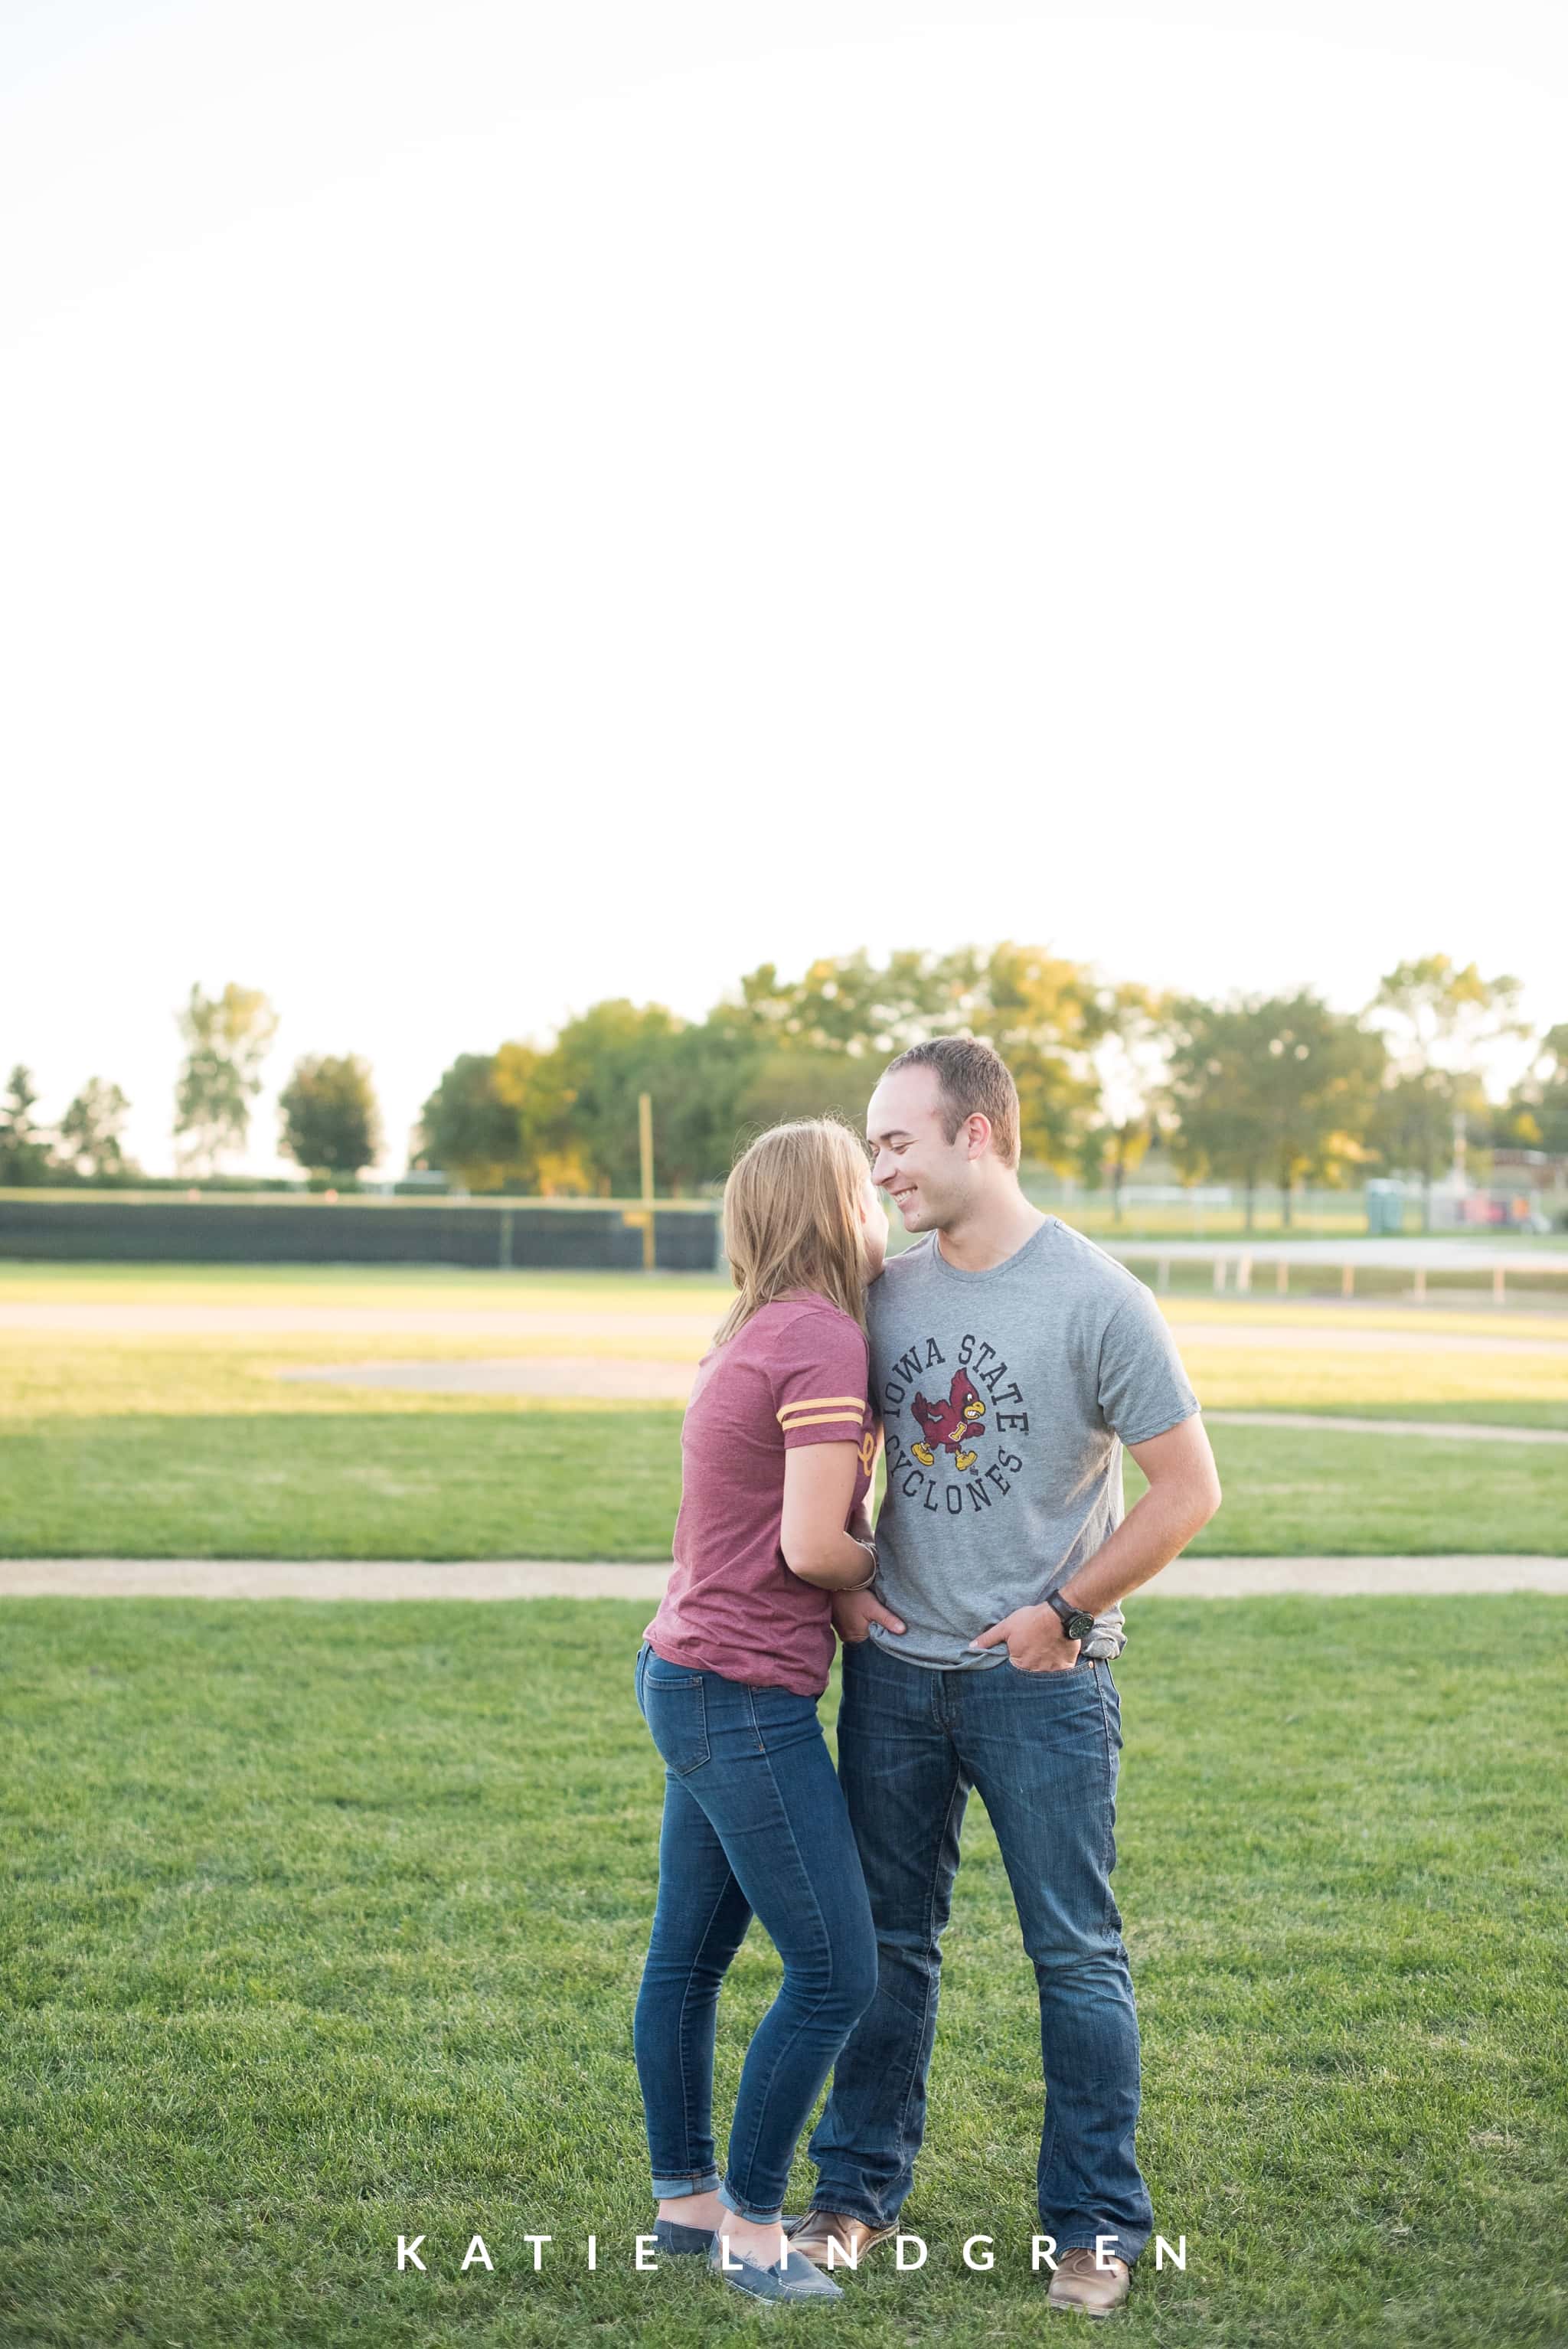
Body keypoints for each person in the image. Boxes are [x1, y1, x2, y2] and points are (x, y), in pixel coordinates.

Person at [789, 1037, 1222, 2320]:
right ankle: (854, 2195)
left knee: (1076, 1955)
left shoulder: (1099, 1298)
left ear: (978, 1136)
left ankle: (1093, 2225)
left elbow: (1189, 1491)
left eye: (897, 1143)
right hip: (896, 1681)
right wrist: (849, 1583)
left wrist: (1062, 1613)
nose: (880, 1171)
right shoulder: (884, 1294)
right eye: (874, 1148)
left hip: (1044, 1685)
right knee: (884, 1948)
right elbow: (838, 1459)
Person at [632, 1117, 890, 2305]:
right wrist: (875, 1564)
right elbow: (808, 1544)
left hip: (686, 1672)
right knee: (838, 1971)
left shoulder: (756, 1328)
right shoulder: (826, 1342)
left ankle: (685, 2205)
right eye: (870, 1185)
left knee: (687, 1961)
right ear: (841, 1210)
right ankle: (750, 2231)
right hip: (739, 1693)